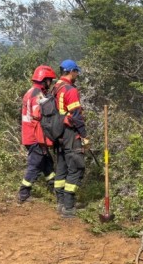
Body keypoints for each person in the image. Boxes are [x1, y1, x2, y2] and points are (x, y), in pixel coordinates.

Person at [52, 59, 89, 218]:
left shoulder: (55, 87)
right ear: (71, 71)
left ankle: (60, 203)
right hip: (70, 133)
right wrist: (84, 136)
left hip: (58, 133)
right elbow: (76, 115)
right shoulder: (70, 89)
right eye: (76, 71)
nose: (77, 74)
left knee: (62, 166)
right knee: (76, 166)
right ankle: (68, 208)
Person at [17, 65, 57, 204]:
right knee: (35, 164)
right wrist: (44, 139)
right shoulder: (37, 94)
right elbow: (37, 118)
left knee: (47, 163)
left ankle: (55, 190)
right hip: (35, 137)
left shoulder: (30, 91)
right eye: (49, 80)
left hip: (30, 136)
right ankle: (23, 194)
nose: (50, 83)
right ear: (44, 80)